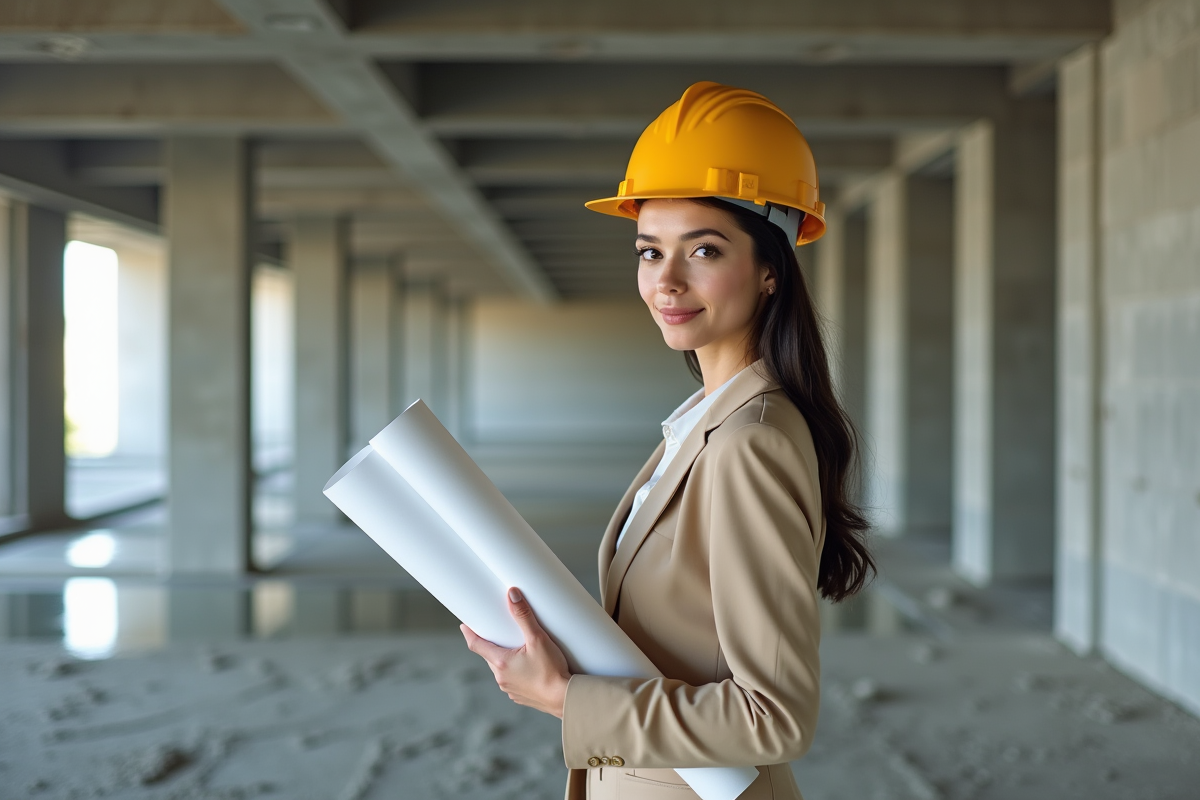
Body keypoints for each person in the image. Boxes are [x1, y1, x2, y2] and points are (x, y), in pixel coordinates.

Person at [461, 81, 875, 800]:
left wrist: (567, 699)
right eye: (650, 252)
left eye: (704, 250)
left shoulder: (753, 438)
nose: (667, 282)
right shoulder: (702, 421)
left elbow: (773, 717)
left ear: (770, 269)